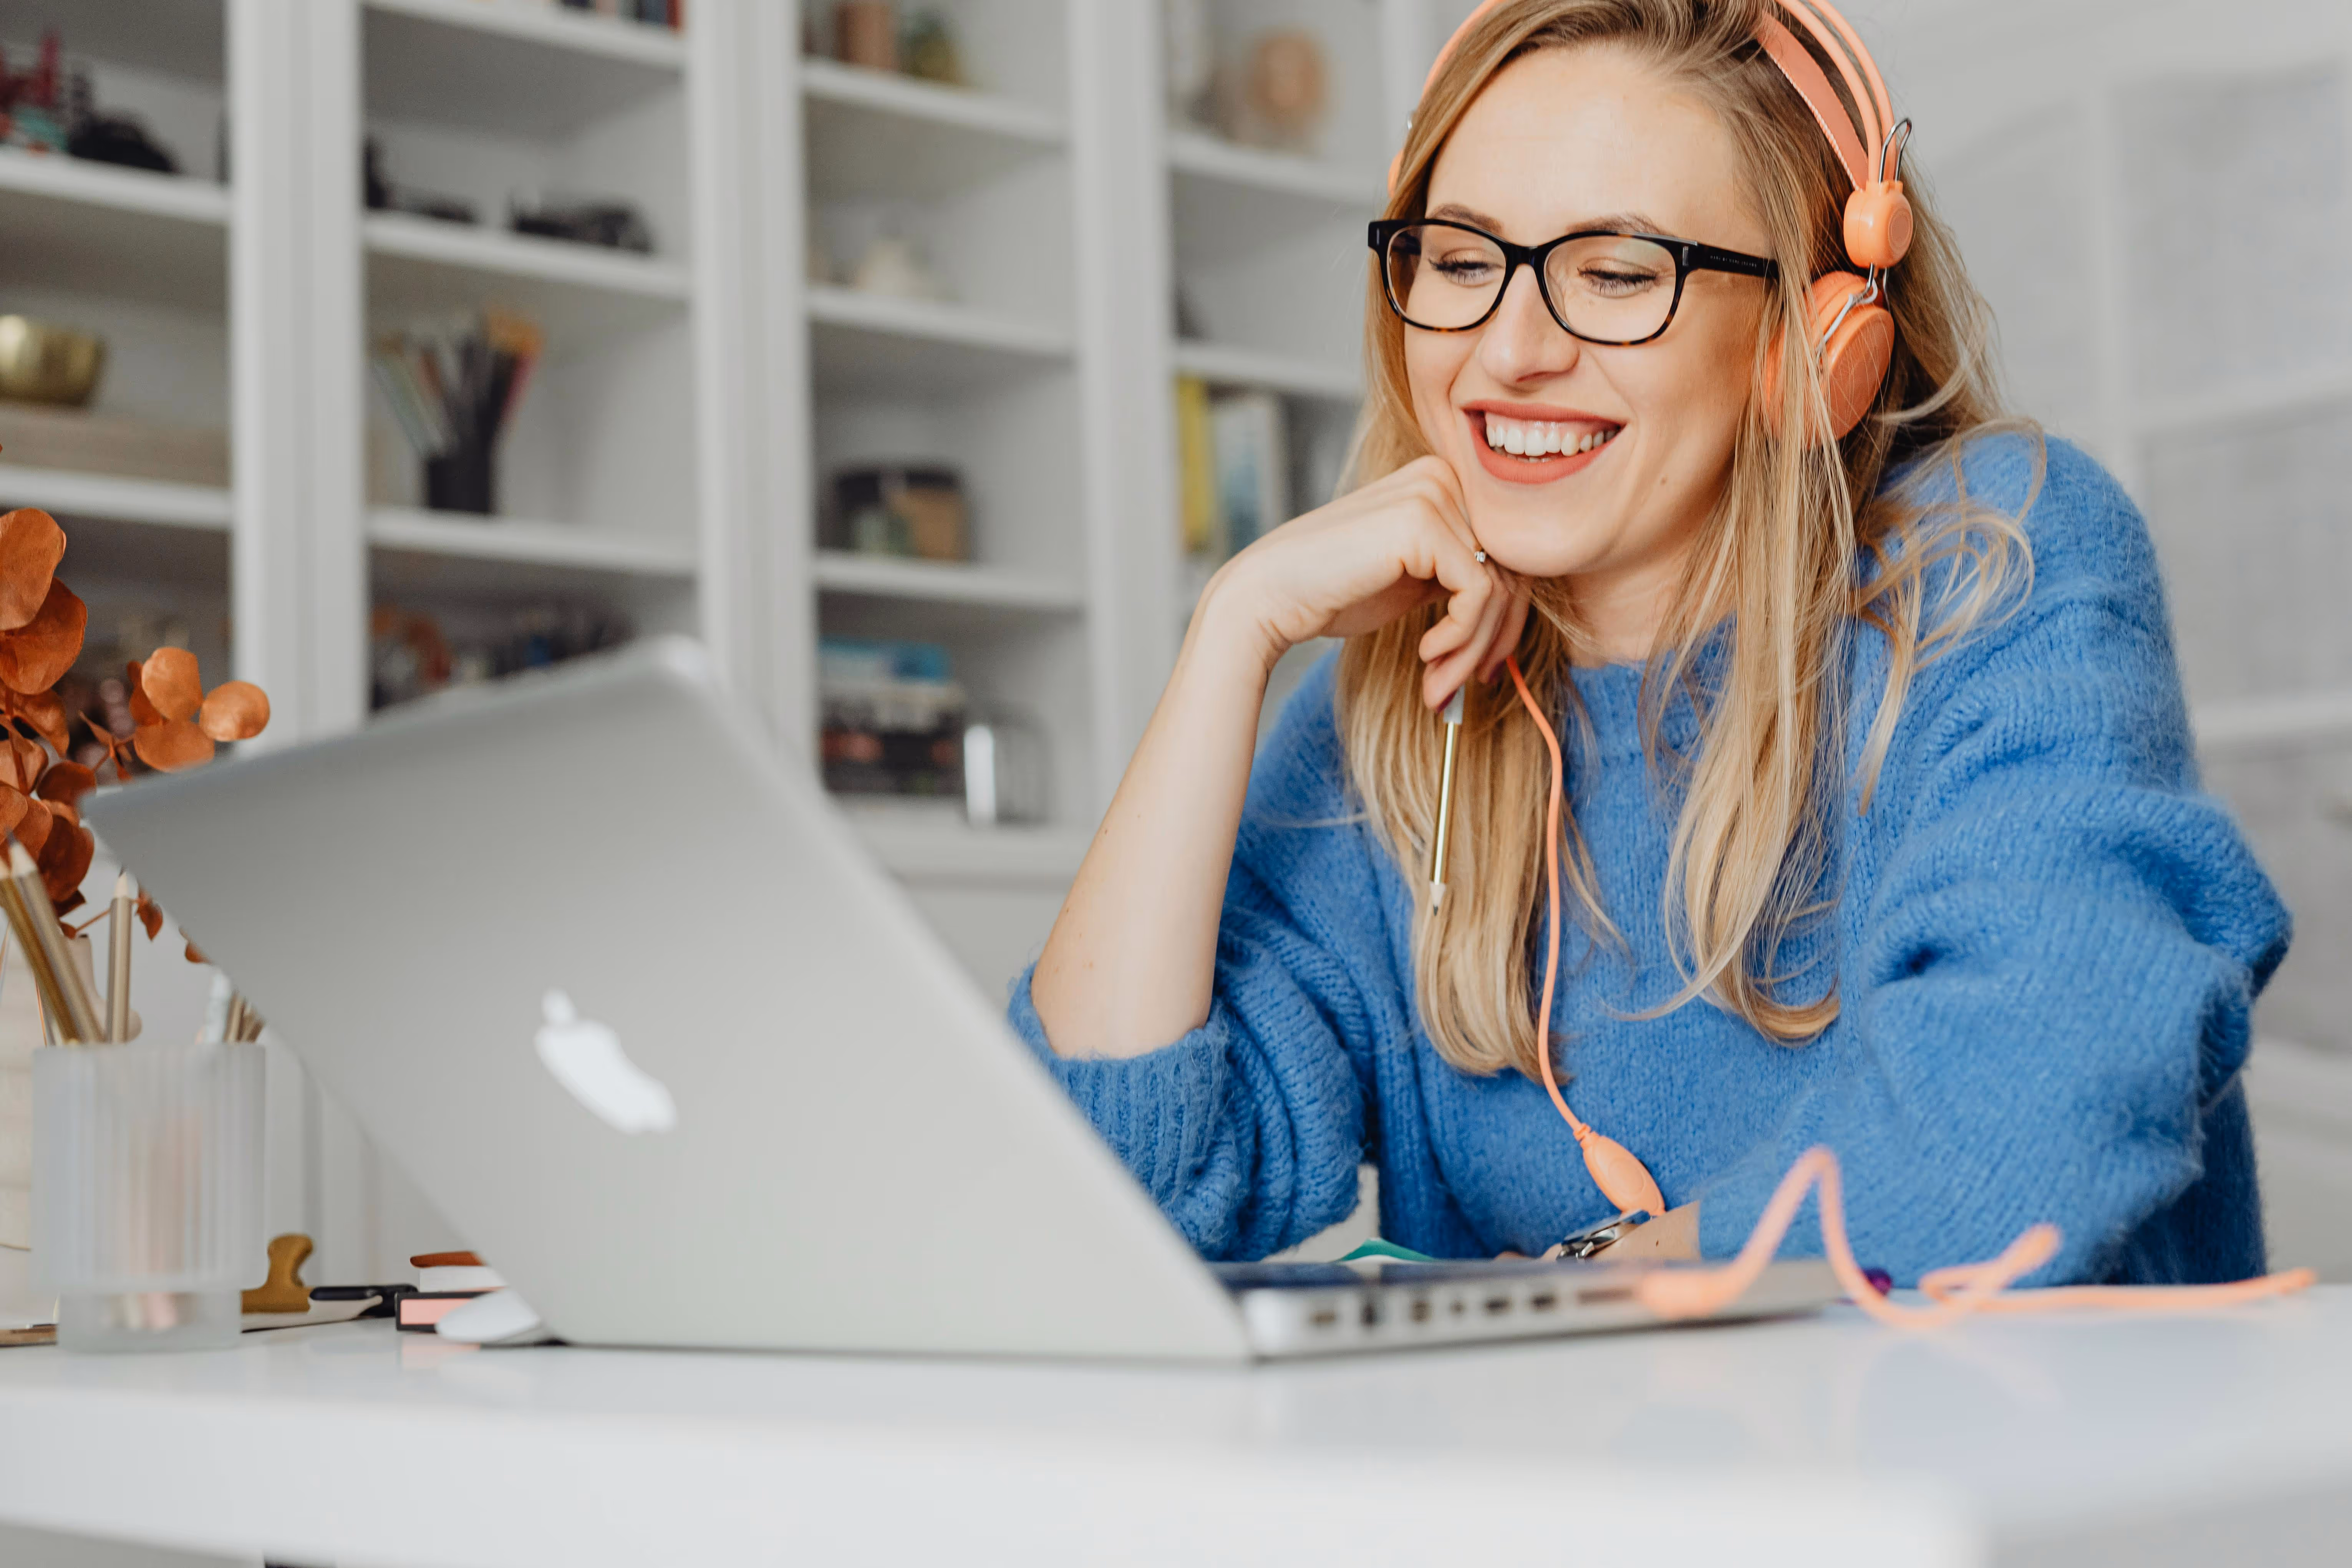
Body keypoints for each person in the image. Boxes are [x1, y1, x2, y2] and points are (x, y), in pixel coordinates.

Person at [1014, 0, 2289, 1285]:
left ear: (1808, 346)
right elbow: (1100, 1204)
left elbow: (2018, 1137)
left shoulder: (1996, 568)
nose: (1509, 352)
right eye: (1460, 263)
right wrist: (1234, 632)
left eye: (1619, 275)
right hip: (1589, 1489)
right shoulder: (1404, 711)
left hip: (1993, 1471)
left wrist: (1578, 1286)